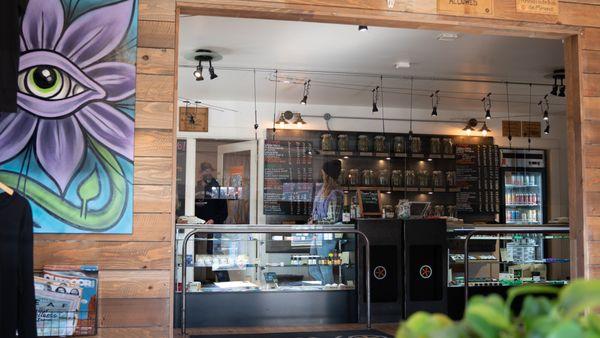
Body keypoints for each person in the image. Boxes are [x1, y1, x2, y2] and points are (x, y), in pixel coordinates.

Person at [309, 160, 343, 285]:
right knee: (312, 268)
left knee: (325, 267)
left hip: (327, 235)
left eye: (323, 172)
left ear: (327, 174)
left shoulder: (336, 193)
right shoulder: (322, 190)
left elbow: (332, 218)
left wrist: (315, 221)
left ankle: (329, 290)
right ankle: (325, 287)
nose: (321, 174)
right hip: (317, 232)